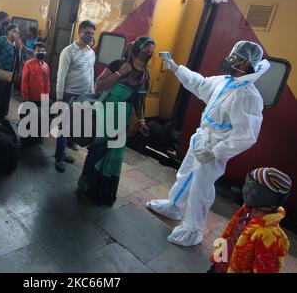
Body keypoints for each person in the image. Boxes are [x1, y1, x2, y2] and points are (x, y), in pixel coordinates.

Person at [146, 41, 270, 246]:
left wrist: (216, 152)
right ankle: (173, 205)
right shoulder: (225, 81)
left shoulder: (248, 96)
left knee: (200, 188)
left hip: (214, 147)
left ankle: (193, 229)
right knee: (185, 174)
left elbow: (246, 135)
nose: (229, 59)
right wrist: (177, 69)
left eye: (234, 57)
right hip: (201, 138)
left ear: (246, 63)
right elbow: (200, 83)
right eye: (231, 55)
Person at [77, 37, 153, 206]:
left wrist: (141, 120)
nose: (149, 54)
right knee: (98, 150)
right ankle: (87, 186)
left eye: (151, 51)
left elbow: (140, 101)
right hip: (105, 112)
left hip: (122, 119)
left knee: (113, 154)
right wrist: (120, 73)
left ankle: (103, 192)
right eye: (146, 50)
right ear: (136, 50)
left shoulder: (145, 75)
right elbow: (99, 86)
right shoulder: (117, 64)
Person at [209, 167, 291, 273]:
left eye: (252, 188)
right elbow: (228, 234)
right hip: (219, 267)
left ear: (265, 196)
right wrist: (216, 260)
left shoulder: (268, 235)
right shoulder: (245, 210)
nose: (245, 189)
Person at [54, 20, 96, 173]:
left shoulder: (91, 52)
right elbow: (61, 75)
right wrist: (59, 98)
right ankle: (59, 157)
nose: (90, 36)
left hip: (84, 96)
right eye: (87, 33)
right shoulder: (68, 51)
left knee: (74, 126)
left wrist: (91, 92)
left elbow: (91, 73)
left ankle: (64, 152)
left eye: (92, 33)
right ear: (79, 33)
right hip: (69, 95)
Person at [20, 42, 50, 144]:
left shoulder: (46, 66)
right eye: (38, 51)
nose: (41, 53)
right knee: (26, 120)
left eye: (43, 51)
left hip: (41, 98)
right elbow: (24, 80)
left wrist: (46, 97)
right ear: (34, 52)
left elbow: (47, 83)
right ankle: (24, 139)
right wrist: (24, 95)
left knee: (39, 120)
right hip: (29, 97)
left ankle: (36, 139)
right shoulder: (28, 64)